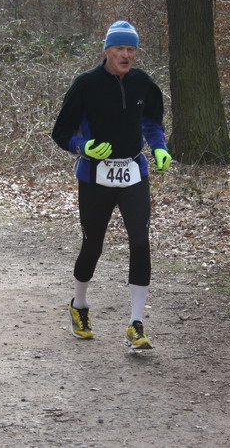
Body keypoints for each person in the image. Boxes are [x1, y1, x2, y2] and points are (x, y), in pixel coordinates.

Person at [51, 20, 172, 349]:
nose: (126, 54)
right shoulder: (86, 84)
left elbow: (152, 122)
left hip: (133, 172)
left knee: (140, 242)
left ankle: (136, 323)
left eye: (131, 49)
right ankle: (79, 306)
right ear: (107, 50)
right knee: (93, 244)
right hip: (95, 176)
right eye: (120, 48)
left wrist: (159, 147)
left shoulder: (143, 82)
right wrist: (83, 147)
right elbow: (61, 132)